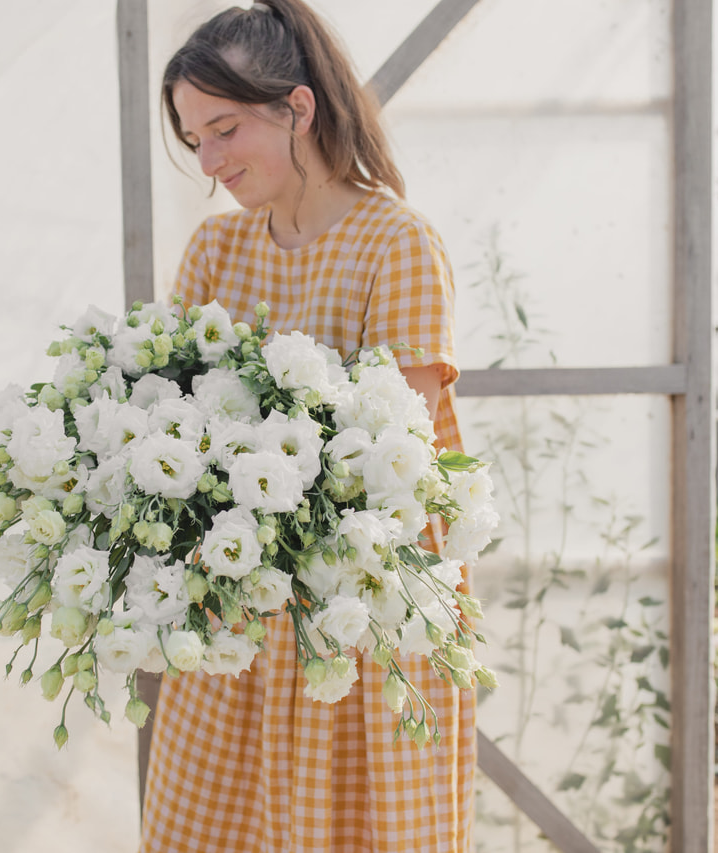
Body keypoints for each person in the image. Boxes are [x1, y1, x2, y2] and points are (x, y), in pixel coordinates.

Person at [141, 2, 474, 851]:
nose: (210, 162)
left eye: (224, 129)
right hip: (234, 612)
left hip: (352, 623)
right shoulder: (216, 251)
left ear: (297, 107)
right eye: (194, 140)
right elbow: (166, 424)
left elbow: (395, 464)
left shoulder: (394, 243)